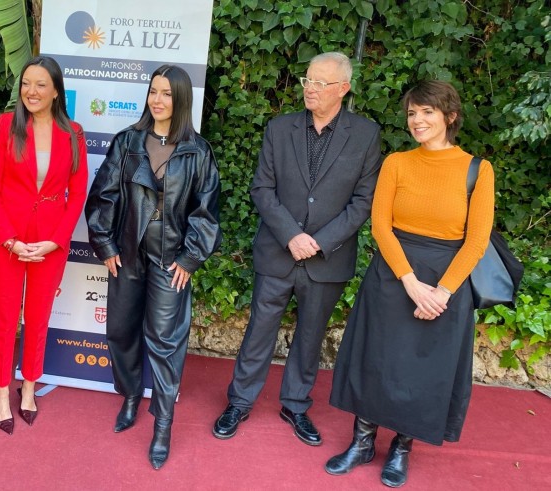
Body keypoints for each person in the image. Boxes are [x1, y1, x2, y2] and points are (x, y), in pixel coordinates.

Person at [326, 80, 494, 488]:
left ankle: (402, 447)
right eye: (412, 113)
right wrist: (410, 282)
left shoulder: (478, 170)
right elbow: (381, 226)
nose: (417, 120)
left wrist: (442, 291)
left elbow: (477, 240)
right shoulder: (397, 163)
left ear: (449, 117)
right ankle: (362, 441)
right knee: (375, 360)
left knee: (422, 371)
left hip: (446, 283)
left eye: (427, 112)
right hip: (393, 274)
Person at [211, 52, 382, 445]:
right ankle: (239, 401)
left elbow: (363, 201)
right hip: (278, 250)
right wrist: (291, 235)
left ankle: (296, 404)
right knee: (258, 330)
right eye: (308, 79)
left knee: (310, 335)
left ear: (343, 88)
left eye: (321, 83)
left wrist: (319, 242)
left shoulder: (366, 134)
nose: (310, 88)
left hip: (328, 257)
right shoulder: (279, 128)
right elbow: (262, 189)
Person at [86, 64, 222, 469]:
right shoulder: (128, 141)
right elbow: (103, 195)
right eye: (153, 91)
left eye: (166, 93)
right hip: (127, 251)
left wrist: (191, 256)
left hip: (171, 258)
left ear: (181, 100)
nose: (158, 100)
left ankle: (162, 423)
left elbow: (206, 209)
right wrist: (106, 243)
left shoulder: (197, 151)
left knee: (165, 342)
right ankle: (130, 395)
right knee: (122, 329)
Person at [0, 56, 88, 435]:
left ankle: (29, 387)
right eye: (26, 83)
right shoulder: (5, 126)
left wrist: (55, 241)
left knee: (38, 318)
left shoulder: (73, 133)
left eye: (41, 84)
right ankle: (0, 391)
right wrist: (9, 238)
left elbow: (77, 195)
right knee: (6, 317)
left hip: (49, 242)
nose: (32, 91)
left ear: (56, 90)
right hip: (5, 238)